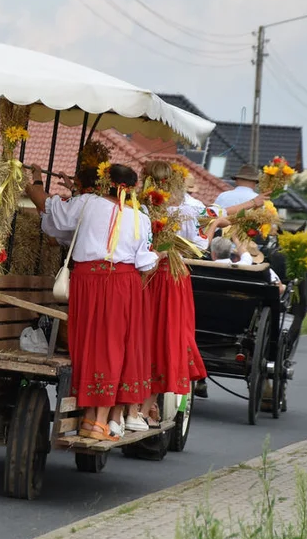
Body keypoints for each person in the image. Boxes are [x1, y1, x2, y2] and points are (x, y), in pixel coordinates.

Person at [25, 162, 157, 442]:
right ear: (132, 189)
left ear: (104, 181)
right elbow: (146, 264)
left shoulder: (86, 203)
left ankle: (89, 417)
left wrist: (33, 183)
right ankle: (99, 421)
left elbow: (53, 214)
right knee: (113, 347)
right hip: (123, 283)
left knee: (86, 343)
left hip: (87, 281)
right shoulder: (140, 218)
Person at [139, 161, 207, 427]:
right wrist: (212, 227)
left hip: (145, 277)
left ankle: (139, 405)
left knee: (143, 336)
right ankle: (146, 407)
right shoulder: (188, 212)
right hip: (171, 279)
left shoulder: (141, 208)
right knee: (165, 339)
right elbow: (200, 246)